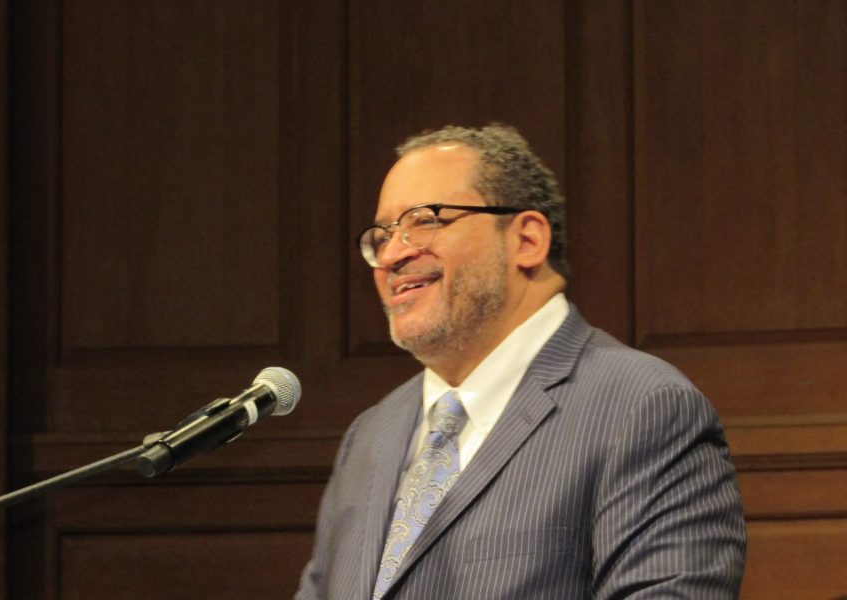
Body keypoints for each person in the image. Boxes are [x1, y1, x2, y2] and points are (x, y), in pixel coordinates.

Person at [295, 124, 746, 599]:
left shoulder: (643, 408)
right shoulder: (371, 436)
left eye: (424, 220)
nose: (391, 254)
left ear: (527, 240)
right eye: (382, 236)